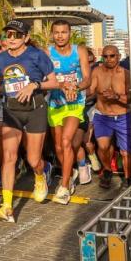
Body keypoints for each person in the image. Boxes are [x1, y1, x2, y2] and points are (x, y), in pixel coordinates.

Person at [0, 19, 56, 219]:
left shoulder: (37, 55)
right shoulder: (1, 58)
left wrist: (34, 85)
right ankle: (7, 206)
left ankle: (40, 175)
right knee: (9, 158)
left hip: (35, 110)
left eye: (17, 35)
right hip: (12, 112)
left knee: (33, 159)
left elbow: (54, 82)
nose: (12, 38)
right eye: (8, 34)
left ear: (26, 38)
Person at [46, 19, 92, 203]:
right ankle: (70, 174)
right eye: (56, 32)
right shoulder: (47, 53)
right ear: (52, 34)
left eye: (64, 32)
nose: (60, 36)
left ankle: (64, 186)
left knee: (66, 141)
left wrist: (76, 87)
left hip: (75, 103)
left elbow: (87, 79)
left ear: (69, 33)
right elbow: (42, 77)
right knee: (58, 147)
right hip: (55, 103)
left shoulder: (79, 51)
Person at [87, 45, 131, 186]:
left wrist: (116, 96)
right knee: (103, 147)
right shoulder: (97, 72)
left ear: (118, 56)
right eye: (105, 56)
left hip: (123, 116)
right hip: (102, 116)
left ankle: (128, 178)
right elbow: (90, 90)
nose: (109, 59)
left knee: (126, 152)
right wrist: (73, 89)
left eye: (112, 56)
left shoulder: (126, 74)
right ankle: (107, 170)